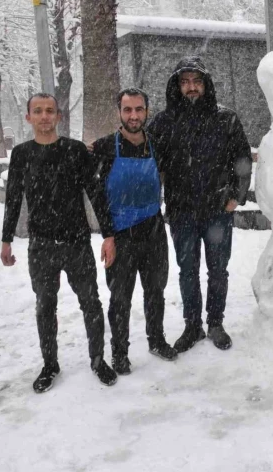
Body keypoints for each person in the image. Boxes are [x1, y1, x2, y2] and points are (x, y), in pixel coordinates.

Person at [1, 93, 118, 393]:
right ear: (28, 117)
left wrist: (108, 235)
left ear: (58, 116)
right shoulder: (22, 154)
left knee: (91, 302)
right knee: (45, 306)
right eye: (37, 111)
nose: (44, 116)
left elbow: (95, 193)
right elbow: (13, 199)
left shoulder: (75, 151)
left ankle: (97, 359)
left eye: (49, 111)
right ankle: (50, 364)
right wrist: (6, 241)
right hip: (41, 246)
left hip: (77, 243)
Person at [148, 56, 252, 353]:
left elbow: (242, 159)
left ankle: (215, 322)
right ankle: (192, 324)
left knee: (218, 269)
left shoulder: (226, 118)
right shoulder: (164, 121)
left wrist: (236, 195)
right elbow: (145, 156)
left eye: (196, 81)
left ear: (205, 84)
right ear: (177, 86)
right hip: (182, 211)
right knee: (187, 270)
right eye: (185, 82)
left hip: (218, 208)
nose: (191, 87)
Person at [90, 88, 178, 376]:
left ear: (146, 112)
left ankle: (156, 340)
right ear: (119, 112)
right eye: (128, 110)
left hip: (153, 229)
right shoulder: (104, 147)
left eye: (139, 109)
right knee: (120, 298)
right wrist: (108, 235)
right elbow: (97, 195)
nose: (134, 116)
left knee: (155, 291)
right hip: (120, 232)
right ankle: (119, 352)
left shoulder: (157, 145)